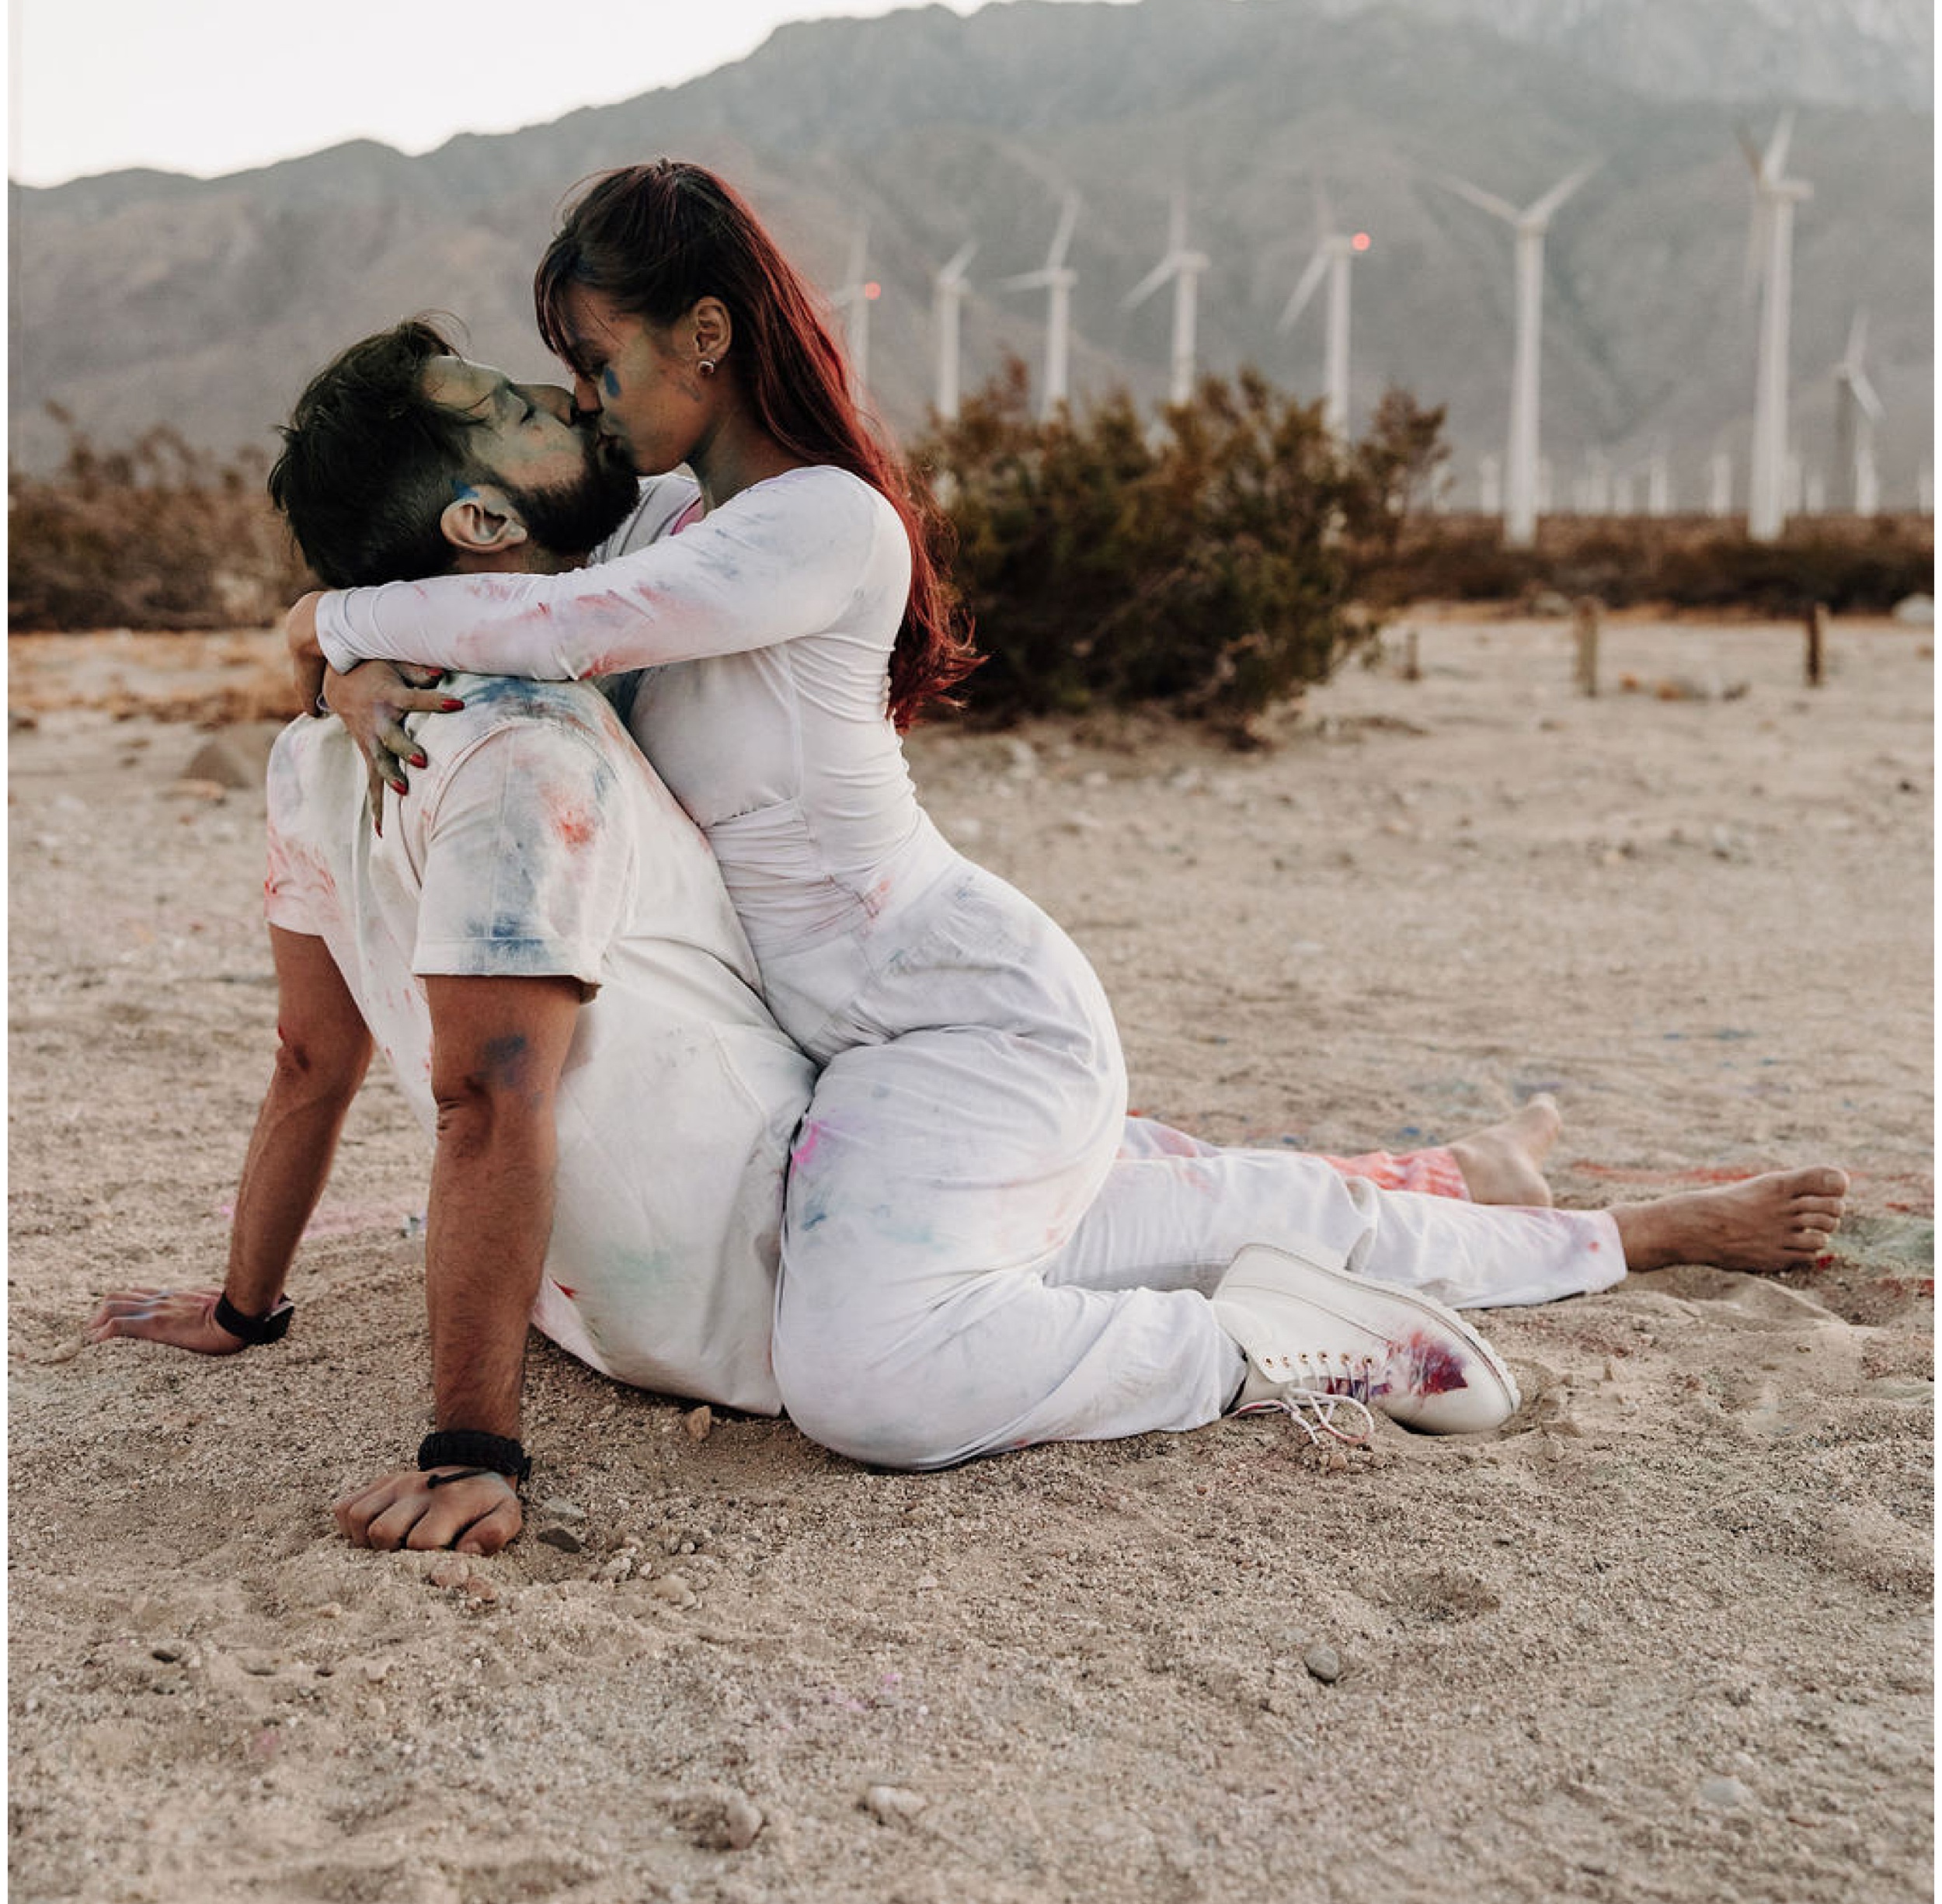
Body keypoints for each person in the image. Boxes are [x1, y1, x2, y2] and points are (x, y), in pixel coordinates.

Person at [284, 166, 1850, 1478]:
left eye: (597, 358)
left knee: (869, 1379)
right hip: (857, 1054)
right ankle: (1593, 1220)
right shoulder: (668, 513)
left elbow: (562, 627)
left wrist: (338, 621)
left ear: (706, 334)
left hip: (959, 1017)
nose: (582, 396)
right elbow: (497, 596)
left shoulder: (816, 520)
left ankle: (1277, 1345)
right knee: (1174, 1209)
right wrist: (332, 652)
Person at [90, 325, 817, 1554]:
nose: (560, 399)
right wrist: (473, 1451)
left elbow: (310, 1057)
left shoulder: (313, 746)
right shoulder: (526, 749)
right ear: (482, 522)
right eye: (512, 411)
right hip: (761, 1294)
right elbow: (484, 1098)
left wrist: (244, 1305)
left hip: (599, 1317)